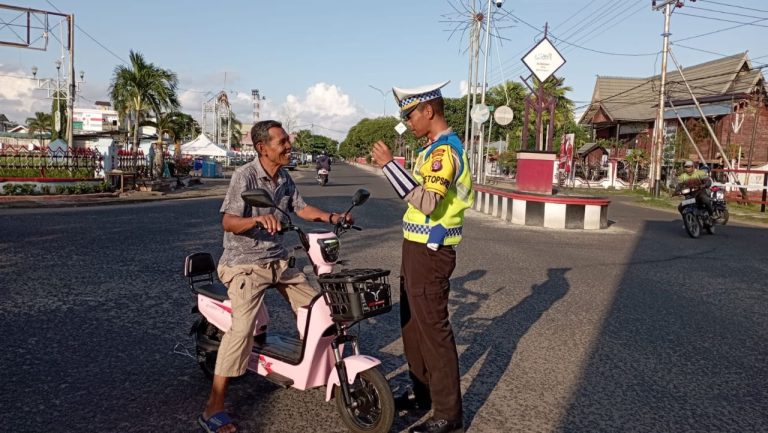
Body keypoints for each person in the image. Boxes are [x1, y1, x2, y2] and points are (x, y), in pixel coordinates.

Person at [198, 120, 354, 433]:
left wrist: (333, 216)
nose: (288, 145)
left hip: (277, 261)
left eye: (287, 140)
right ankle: (213, 406)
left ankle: (323, 368)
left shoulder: (284, 176)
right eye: (282, 142)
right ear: (262, 148)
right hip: (244, 264)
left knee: (322, 310)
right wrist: (258, 220)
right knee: (241, 328)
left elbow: (302, 208)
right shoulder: (245, 176)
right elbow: (228, 221)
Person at [371, 80, 473, 433]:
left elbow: (427, 202)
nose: (408, 122)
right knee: (412, 326)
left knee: (433, 330)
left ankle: (448, 414)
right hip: (415, 247)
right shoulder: (430, 149)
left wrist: (388, 166)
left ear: (428, 111)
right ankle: (423, 394)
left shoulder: (445, 152)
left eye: (410, 114)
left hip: (432, 250)